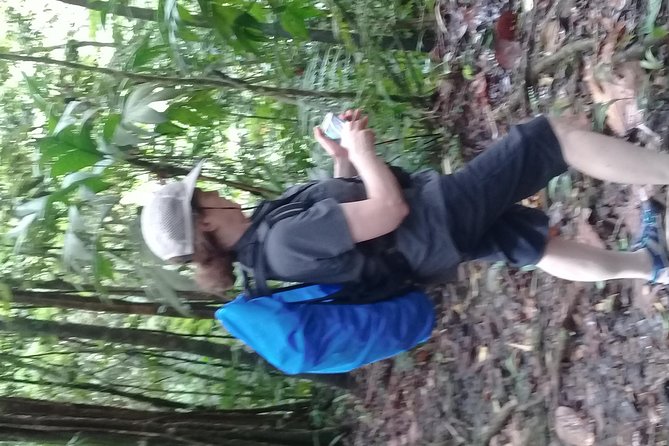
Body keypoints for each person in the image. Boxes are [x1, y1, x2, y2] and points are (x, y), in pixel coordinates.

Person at [140, 109, 669, 297]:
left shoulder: (264, 237)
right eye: (201, 195)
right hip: (432, 220)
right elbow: (386, 211)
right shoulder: (279, 241)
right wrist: (366, 153)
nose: (210, 190)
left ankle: (651, 266)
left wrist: (342, 161)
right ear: (204, 219)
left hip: (430, 242)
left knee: (531, 247)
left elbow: (349, 217)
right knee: (548, 138)